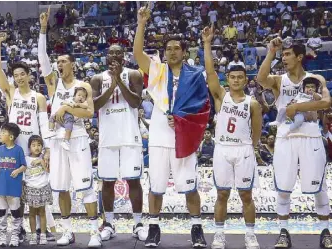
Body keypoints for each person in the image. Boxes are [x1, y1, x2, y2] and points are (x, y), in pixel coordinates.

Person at [134, 5, 209, 248]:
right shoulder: (157, 71)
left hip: (183, 136)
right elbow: (137, 54)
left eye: (177, 48)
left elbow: (202, 107)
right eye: (168, 48)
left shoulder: (196, 74)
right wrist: (142, 24)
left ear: (185, 52)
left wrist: (183, 119)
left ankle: (196, 227)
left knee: (189, 186)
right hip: (158, 136)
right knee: (155, 186)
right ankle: (154, 228)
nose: (172, 51)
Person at [257, 36, 332, 248]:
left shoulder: (316, 78)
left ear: (299, 57)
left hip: (310, 136)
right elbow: (261, 78)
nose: (284, 58)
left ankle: (325, 232)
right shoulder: (280, 80)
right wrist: (271, 51)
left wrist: (297, 108)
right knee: (283, 187)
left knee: (319, 186)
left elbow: (327, 102)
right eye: (283, 55)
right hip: (286, 137)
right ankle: (283, 232)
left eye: (287, 54)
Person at [37, 8, 100, 247]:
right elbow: (42, 58)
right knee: (60, 188)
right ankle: (67, 230)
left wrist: (65, 109)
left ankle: (94, 231)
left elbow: (89, 112)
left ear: (72, 64)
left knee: (85, 186)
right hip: (56, 139)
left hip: (78, 137)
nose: (59, 63)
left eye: (64, 61)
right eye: (58, 62)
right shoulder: (52, 83)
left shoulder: (82, 85)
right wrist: (43, 30)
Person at [202, 25, 262, 249]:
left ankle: (250, 235)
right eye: (233, 77)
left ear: (246, 80)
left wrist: (250, 147)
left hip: (244, 149)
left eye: (240, 77)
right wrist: (207, 43)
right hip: (223, 149)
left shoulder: (252, 103)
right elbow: (209, 73)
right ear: (228, 78)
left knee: (246, 195)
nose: (236, 80)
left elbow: (257, 131)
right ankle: (219, 235)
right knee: (222, 194)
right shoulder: (221, 96)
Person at [0, 31, 55, 242]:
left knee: (36, 190)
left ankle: (44, 231)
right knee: (15, 191)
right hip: (13, 147)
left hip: (32, 149)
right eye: (15, 75)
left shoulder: (39, 97)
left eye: (22, 74)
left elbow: (44, 125)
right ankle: (18, 231)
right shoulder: (11, 93)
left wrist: (45, 149)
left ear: (29, 75)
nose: (19, 78)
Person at [89, 44, 146, 242]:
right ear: (106, 56)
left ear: (124, 56)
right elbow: (94, 106)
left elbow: (135, 102)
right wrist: (112, 84)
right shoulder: (96, 79)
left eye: (118, 52)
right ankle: (109, 224)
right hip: (107, 138)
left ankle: (138, 224)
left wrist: (119, 81)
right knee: (107, 182)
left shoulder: (133, 74)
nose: (114, 55)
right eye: (111, 52)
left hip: (130, 136)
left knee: (134, 181)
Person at [0, 123, 27, 247]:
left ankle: (15, 236)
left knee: (15, 213)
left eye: (3, 133)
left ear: (11, 137)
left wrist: (17, 171)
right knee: (1, 213)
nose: (0, 135)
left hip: (14, 188)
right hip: (1, 187)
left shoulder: (18, 150)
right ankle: (2, 236)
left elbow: (24, 166)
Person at [23, 135, 52, 245]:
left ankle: (43, 235)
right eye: (34, 145)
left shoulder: (44, 158)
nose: (36, 147)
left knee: (42, 212)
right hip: (30, 188)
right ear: (29, 147)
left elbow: (48, 170)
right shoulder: (26, 159)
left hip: (43, 188)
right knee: (32, 213)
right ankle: (33, 235)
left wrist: (41, 161)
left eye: (39, 145)